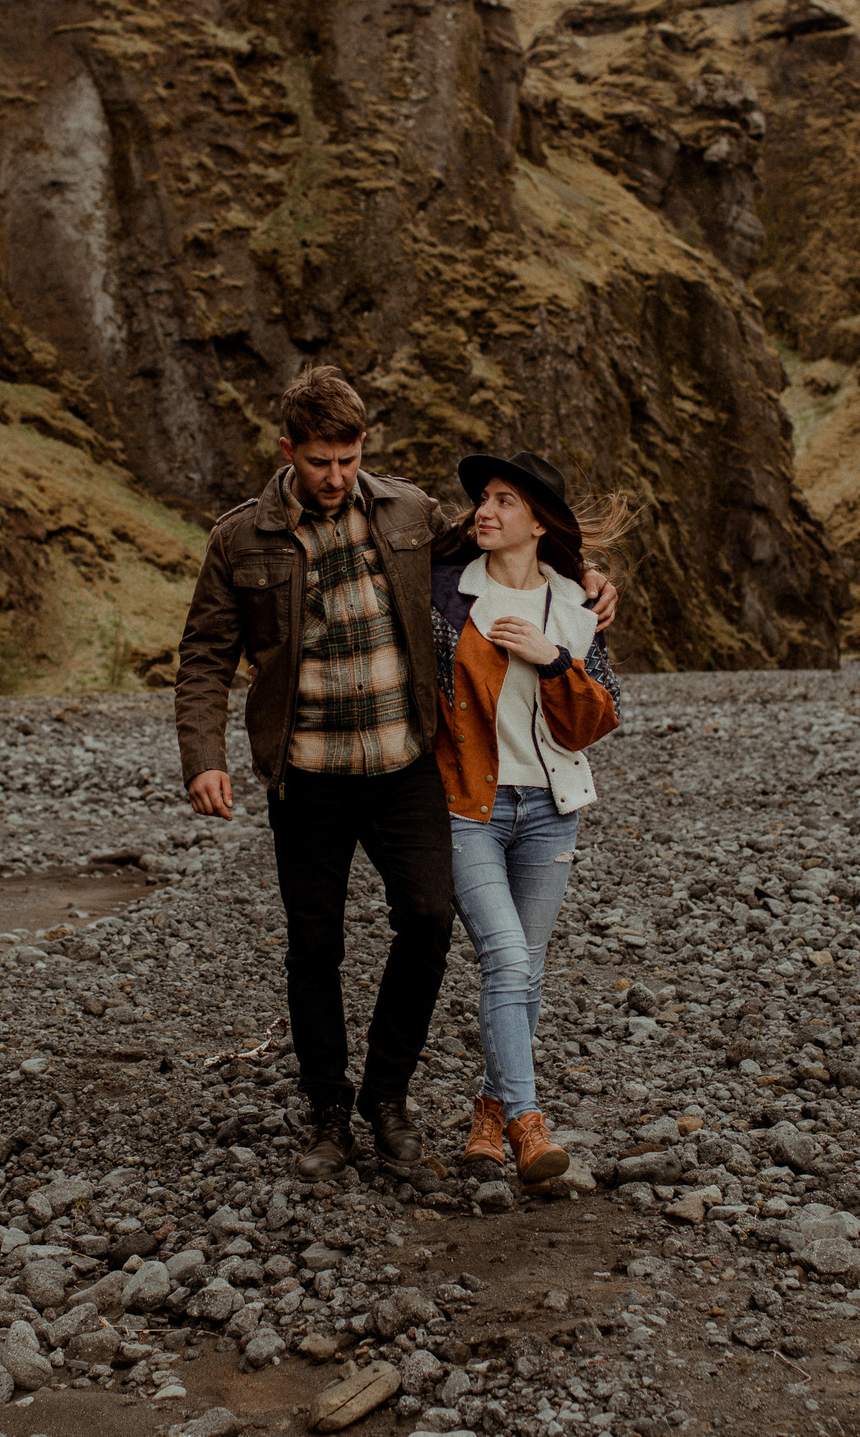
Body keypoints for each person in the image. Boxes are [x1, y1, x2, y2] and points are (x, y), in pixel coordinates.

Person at [174, 369, 617, 1180]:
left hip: (406, 767)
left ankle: (387, 1094)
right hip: (304, 776)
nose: (335, 476)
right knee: (315, 945)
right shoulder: (241, 539)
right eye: (318, 461)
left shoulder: (410, 513)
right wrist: (203, 758)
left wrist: (580, 579)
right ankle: (327, 1110)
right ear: (287, 452)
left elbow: (503, 546)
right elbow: (205, 654)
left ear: (363, 447)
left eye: (347, 457)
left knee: (427, 918)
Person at [427, 451, 626, 1184]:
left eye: (505, 501)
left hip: (551, 812)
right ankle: (528, 1121)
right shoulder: (447, 598)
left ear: (539, 522)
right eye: (483, 498)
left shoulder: (577, 606)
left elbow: (595, 720)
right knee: (507, 959)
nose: (485, 510)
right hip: (468, 806)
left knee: (527, 973)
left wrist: (552, 660)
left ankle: (487, 1114)